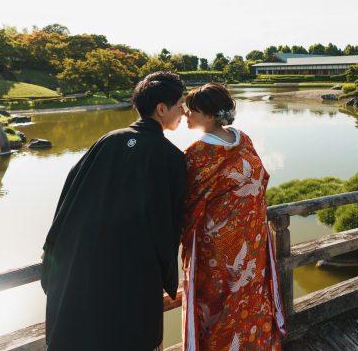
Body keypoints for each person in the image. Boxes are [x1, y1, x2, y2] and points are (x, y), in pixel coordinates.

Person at [41, 71, 187, 351]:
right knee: (130, 336)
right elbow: (168, 224)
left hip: (79, 263)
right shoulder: (171, 158)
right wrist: (168, 275)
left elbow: (70, 193)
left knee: (77, 335)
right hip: (132, 271)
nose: (184, 110)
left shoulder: (107, 140)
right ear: (161, 109)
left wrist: (52, 246)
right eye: (180, 103)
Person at [180, 83, 286, 351]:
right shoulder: (243, 138)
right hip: (252, 235)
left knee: (218, 300)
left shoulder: (197, 153)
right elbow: (261, 179)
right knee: (248, 294)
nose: (185, 113)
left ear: (210, 116)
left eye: (192, 109)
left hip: (218, 244)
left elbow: (183, 201)